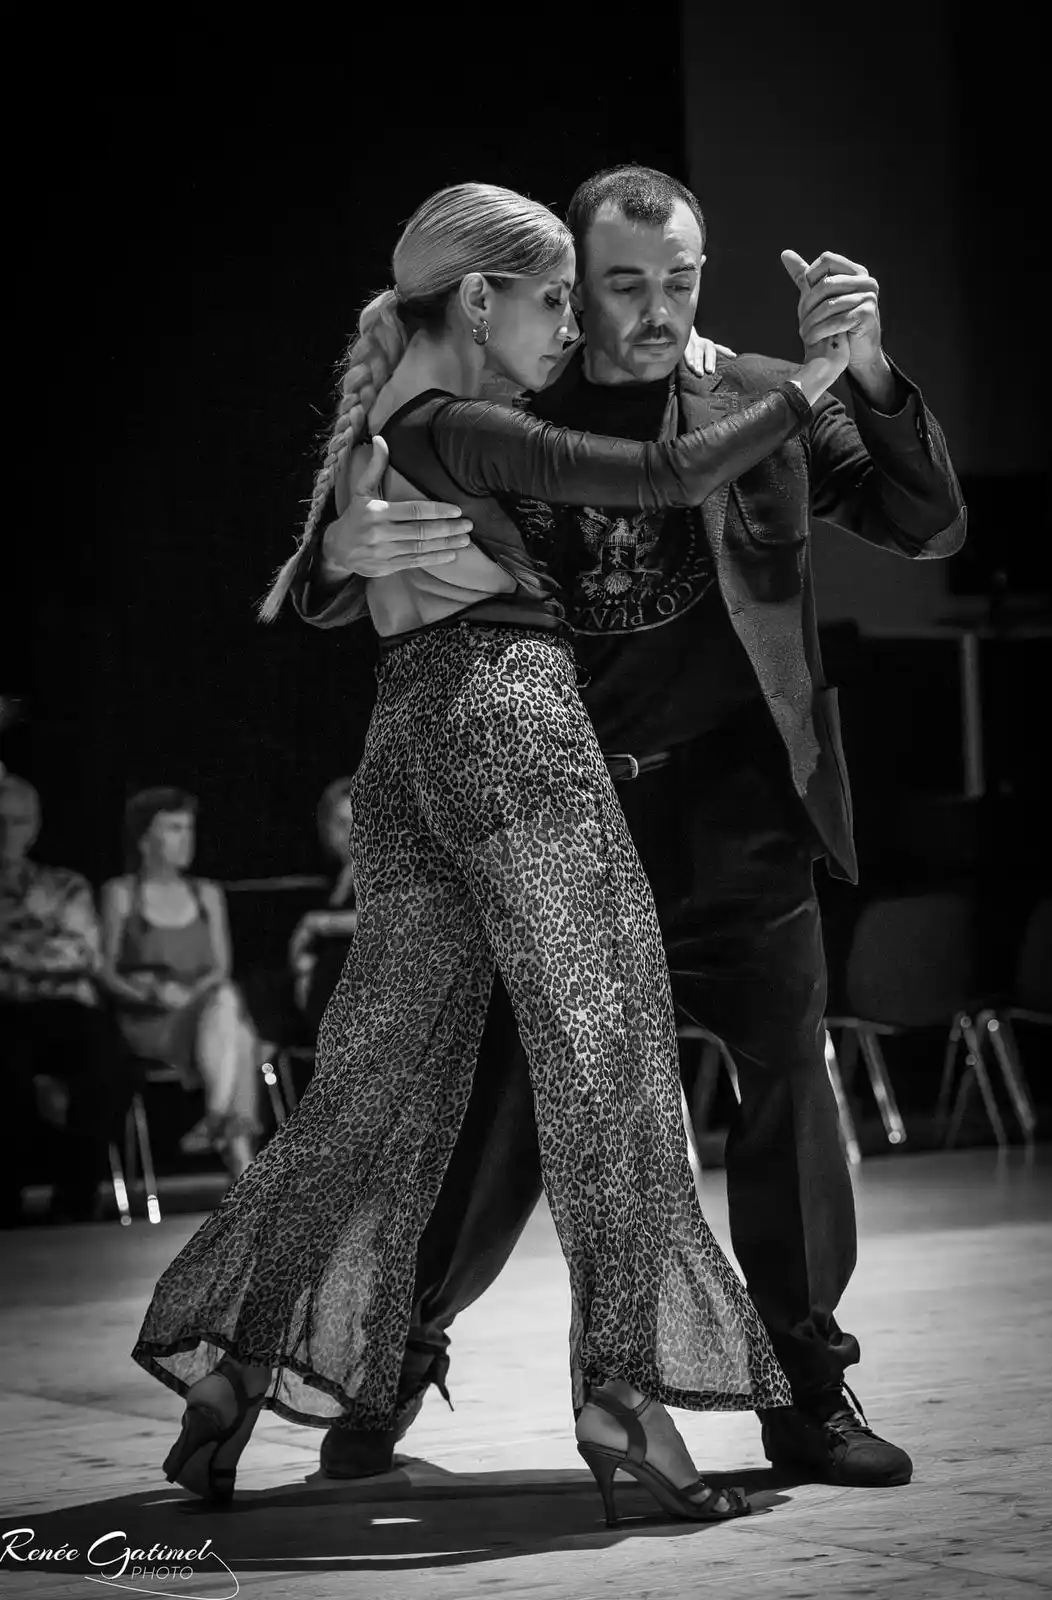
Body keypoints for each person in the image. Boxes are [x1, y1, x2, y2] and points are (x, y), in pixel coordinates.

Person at [130, 181, 854, 1524]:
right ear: (478, 299)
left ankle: (234, 1377)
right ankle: (627, 1412)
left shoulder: (381, 428)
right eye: (553, 301)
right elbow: (657, 473)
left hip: (404, 740)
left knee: (364, 1092)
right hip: (513, 729)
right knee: (615, 1079)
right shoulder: (462, 418)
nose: (569, 325)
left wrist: (339, 555)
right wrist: (810, 382)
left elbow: (316, 583)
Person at [297, 166, 966, 1489]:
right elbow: (338, 567)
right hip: (549, 810)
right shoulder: (501, 399)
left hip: (731, 806)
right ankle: (394, 1351)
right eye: (622, 284)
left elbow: (927, 522)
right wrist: (339, 554)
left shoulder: (751, 395)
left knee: (785, 1077)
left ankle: (804, 1387)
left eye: (680, 281)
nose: (655, 310)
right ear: (567, 287)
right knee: (492, 1110)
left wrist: (872, 374)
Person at [100, 788, 261, 1179]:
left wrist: (193, 995)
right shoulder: (122, 893)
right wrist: (151, 993)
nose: (186, 838)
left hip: (204, 1010)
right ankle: (236, 1155)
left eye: (189, 828)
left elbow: (220, 968)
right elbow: (104, 971)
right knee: (238, 1033)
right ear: (144, 838)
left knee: (228, 1013)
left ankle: (224, 1135)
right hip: (151, 1020)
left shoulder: (206, 893)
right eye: (173, 828)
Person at [0, 773, 124, 1224]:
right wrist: (45, 946)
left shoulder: (65, 885)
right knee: (7, 1068)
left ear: (33, 827)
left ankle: (78, 1198)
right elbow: (61, 950)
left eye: (16, 821)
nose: (5, 832)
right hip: (6, 1012)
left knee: (105, 1061)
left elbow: (82, 953)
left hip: (68, 1010)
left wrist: (12, 951)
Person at [287, 776, 359, 1031]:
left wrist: (318, 923)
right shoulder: (333, 878)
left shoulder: (379, 871)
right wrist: (303, 965)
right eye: (341, 823)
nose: (349, 833)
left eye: (356, 822)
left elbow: (386, 917)